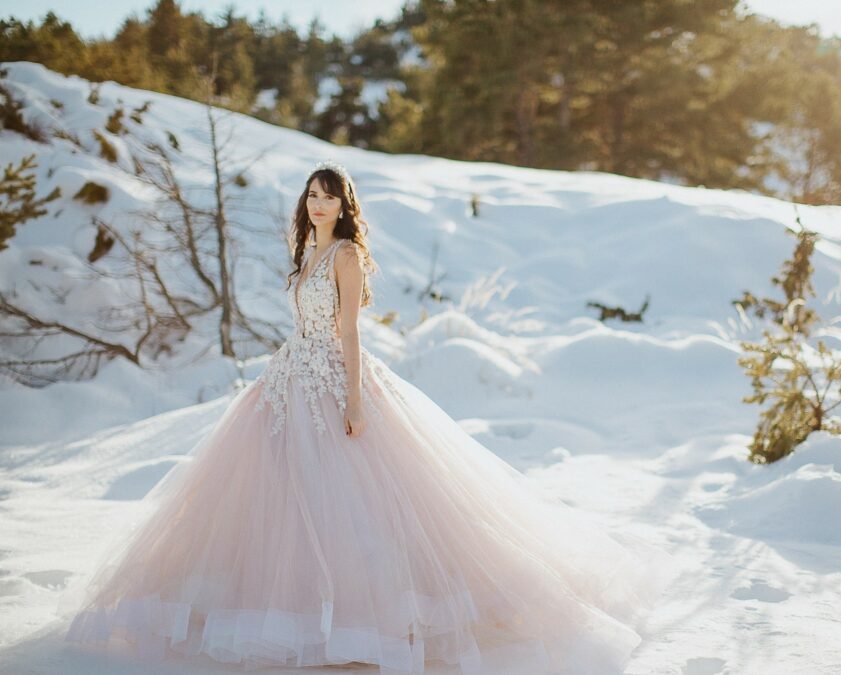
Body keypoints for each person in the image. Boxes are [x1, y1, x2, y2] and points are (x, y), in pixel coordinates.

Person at [61, 159, 680, 674]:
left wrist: (353, 398)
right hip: (286, 380)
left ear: (345, 203)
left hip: (334, 376)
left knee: (357, 499)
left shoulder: (348, 256)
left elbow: (350, 333)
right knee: (278, 500)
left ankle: (372, 619)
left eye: (329, 196)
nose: (320, 203)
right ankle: (287, 609)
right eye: (312, 194)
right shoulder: (304, 251)